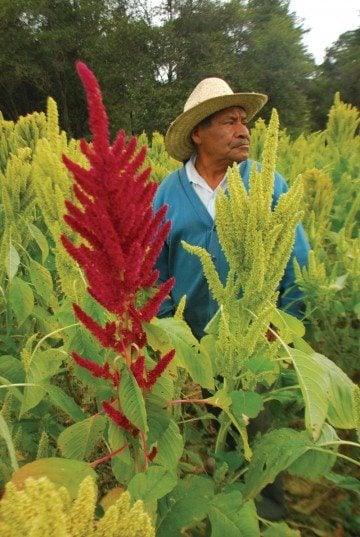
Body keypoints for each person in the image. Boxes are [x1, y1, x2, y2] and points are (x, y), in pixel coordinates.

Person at [153, 77, 310, 340]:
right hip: (191, 351)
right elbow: (153, 273)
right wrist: (174, 339)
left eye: (243, 121)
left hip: (255, 346)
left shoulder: (268, 183)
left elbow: (298, 261)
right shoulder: (167, 193)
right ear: (197, 133)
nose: (243, 131)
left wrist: (284, 327)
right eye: (230, 122)